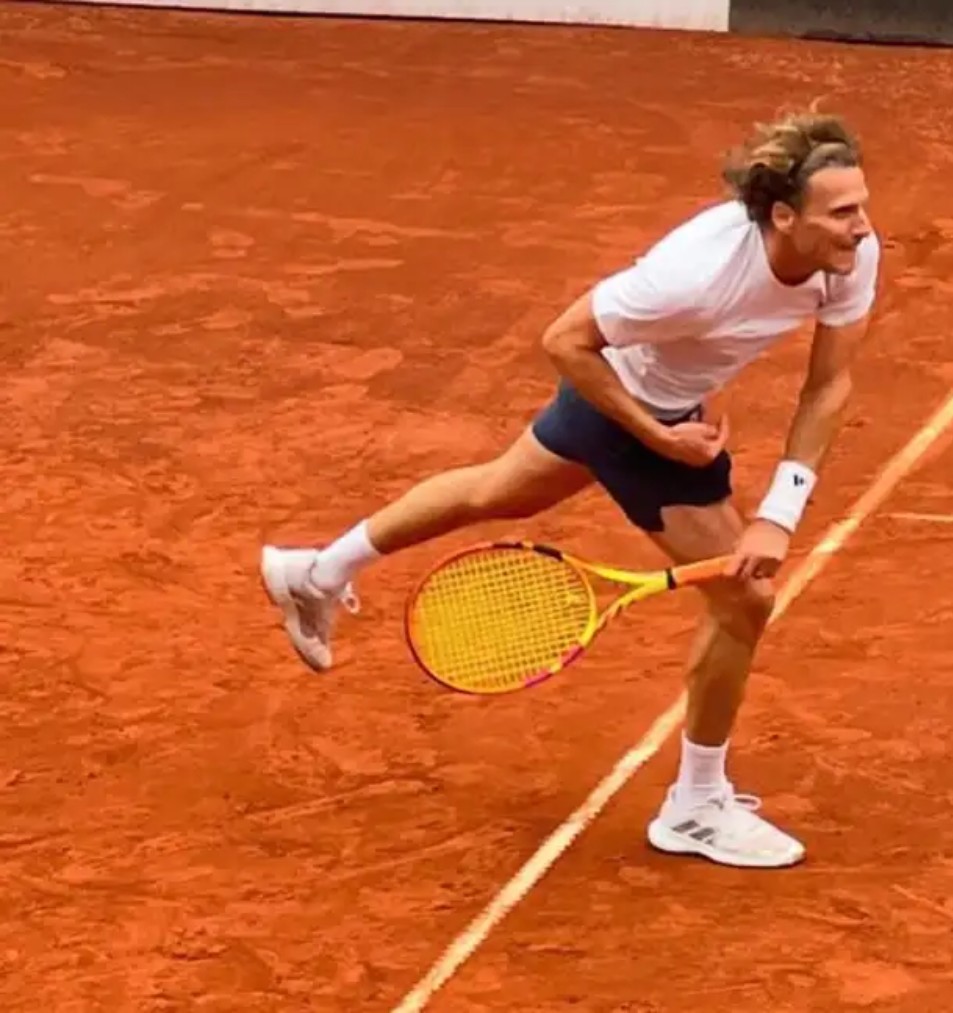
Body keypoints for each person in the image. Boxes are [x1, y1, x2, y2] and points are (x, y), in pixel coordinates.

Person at [257, 107, 879, 870]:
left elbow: (830, 383)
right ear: (784, 215)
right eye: (842, 212)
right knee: (744, 599)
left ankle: (316, 570)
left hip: (652, 406)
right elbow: (563, 340)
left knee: (500, 490)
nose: (862, 226)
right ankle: (696, 805)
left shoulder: (852, 254)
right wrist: (657, 436)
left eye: (861, 207)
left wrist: (780, 511)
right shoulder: (690, 278)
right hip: (627, 411)